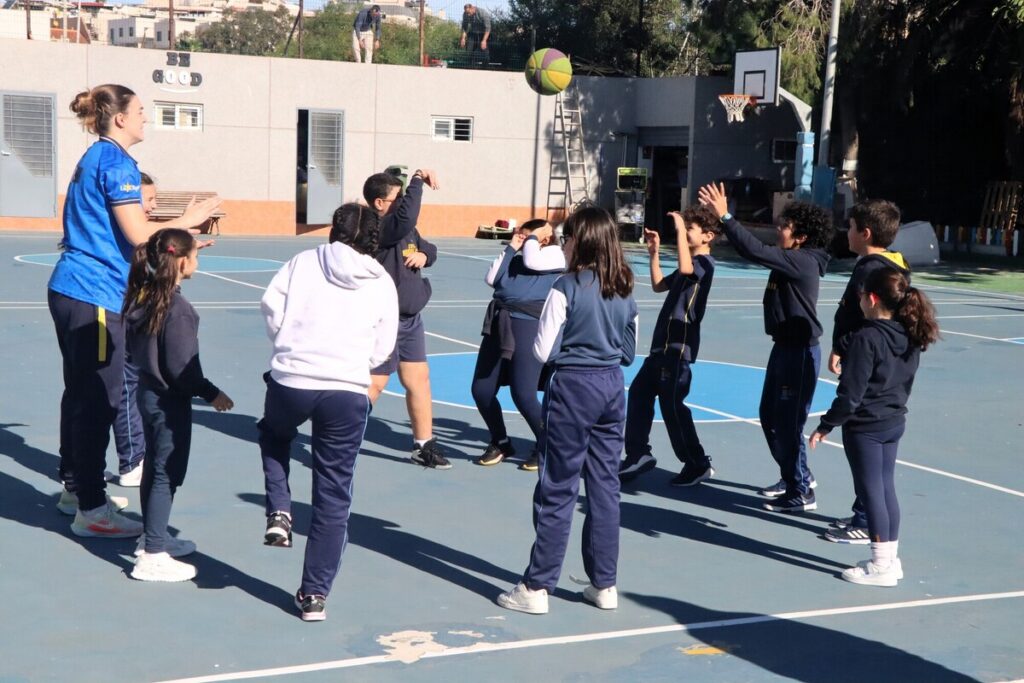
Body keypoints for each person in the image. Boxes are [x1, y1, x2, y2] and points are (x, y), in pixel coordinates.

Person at [49, 83, 219, 537]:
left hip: (76, 289)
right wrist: (189, 218)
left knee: (81, 395)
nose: (146, 118)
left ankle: (75, 488)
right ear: (120, 117)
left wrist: (179, 241)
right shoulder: (116, 163)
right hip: (94, 293)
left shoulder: (96, 158)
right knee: (100, 400)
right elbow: (140, 231)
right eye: (141, 111)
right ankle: (91, 509)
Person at [258, 204, 398, 621]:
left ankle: (279, 509)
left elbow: (271, 307)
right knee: (334, 494)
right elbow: (383, 346)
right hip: (346, 389)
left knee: (273, 435)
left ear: (335, 230)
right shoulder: (381, 280)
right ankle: (314, 595)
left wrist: (288, 344)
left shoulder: (302, 261)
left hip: (293, 379)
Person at [497, 206, 637, 615]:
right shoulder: (626, 286)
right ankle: (603, 583)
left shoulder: (566, 285)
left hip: (573, 386)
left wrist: (571, 352)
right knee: (605, 486)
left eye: (568, 238)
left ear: (582, 241)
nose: (565, 245)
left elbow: (541, 350)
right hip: (612, 386)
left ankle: (537, 586)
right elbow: (629, 351)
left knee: (557, 488)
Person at [698, 182, 832, 514]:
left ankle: (801, 489)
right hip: (784, 348)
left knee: (787, 422)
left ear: (800, 237)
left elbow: (755, 250)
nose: (779, 229)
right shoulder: (793, 258)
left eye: (785, 227)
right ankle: (794, 476)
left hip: (800, 352)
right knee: (769, 416)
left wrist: (726, 216)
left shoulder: (801, 261)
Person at [809, 269, 939, 586]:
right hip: (893, 421)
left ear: (872, 299)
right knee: (885, 488)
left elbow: (851, 394)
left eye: (861, 296)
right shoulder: (909, 334)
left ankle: (880, 565)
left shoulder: (868, 338)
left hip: (865, 426)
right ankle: (889, 560)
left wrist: (825, 425)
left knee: (872, 493)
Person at [124, 228, 233, 581]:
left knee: (154, 467)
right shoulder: (178, 309)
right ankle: (153, 553)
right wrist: (212, 393)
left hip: (148, 394)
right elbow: (182, 368)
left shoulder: (143, 296)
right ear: (183, 260)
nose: (197, 261)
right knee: (165, 472)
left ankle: (151, 536)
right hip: (169, 402)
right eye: (195, 256)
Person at [824, 199, 911, 544]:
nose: (846, 232)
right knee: (878, 470)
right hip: (885, 367)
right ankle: (864, 513)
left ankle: (865, 519)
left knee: (864, 454)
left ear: (866, 232)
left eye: (850, 227)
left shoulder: (870, 270)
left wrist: (841, 347)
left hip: (865, 366)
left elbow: (855, 315)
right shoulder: (897, 263)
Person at [619, 205, 720, 486]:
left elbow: (687, 267)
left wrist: (677, 229)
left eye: (691, 229)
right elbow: (659, 285)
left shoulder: (704, 265)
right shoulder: (688, 267)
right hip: (660, 347)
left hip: (678, 349)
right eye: (685, 228)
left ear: (708, 236)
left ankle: (697, 462)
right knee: (639, 394)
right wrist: (654, 253)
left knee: (673, 407)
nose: (686, 232)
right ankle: (638, 453)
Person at [363, 169, 453, 470]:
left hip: (411, 321)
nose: (402, 202)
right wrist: (416, 181)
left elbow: (429, 248)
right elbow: (406, 218)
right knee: (375, 383)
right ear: (379, 203)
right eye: (397, 197)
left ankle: (423, 445)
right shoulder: (380, 226)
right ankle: (339, 438)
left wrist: (425, 257)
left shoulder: (405, 230)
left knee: (419, 380)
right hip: (385, 322)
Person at [471, 219, 565, 471]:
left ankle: (547, 443)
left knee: (523, 394)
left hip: (529, 325)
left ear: (543, 237)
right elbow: (491, 278)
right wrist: (512, 246)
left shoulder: (554, 254)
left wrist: (533, 237)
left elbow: (533, 261)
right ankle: (500, 441)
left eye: (527, 236)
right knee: (481, 390)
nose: (522, 239)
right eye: (520, 235)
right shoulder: (517, 255)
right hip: (499, 323)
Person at [112, 172, 159, 489]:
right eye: (150, 199)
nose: (154, 206)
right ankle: (132, 462)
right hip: (118, 312)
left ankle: (77, 471)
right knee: (127, 384)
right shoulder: (129, 236)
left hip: (124, 311)